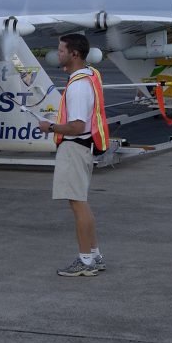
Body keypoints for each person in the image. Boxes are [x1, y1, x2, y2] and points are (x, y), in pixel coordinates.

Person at [37, 33, 109, 277]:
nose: (57, 54)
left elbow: (77, 126)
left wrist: (51, 127)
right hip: (83, 147)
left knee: (78, 205)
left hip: (74, 147)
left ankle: (86, 261)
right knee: (81, 203)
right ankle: (94, 256)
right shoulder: (89, 76)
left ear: (74, 54)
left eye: (61, 50)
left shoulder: (78, 86)